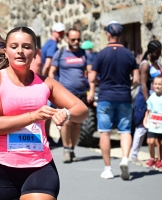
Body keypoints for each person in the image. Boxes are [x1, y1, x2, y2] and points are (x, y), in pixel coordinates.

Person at [0, 27, 88, 200]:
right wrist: (33, 116)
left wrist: (65, 113)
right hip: (0, 168)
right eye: (14, 46)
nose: (20, 51)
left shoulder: (45, 83)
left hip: (39, 166)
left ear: (35, 53)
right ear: (6, 52)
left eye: (26, 47)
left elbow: (81, 110)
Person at [88, 21, 140, 180]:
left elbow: (91, 77)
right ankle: (125, 159)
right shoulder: (129, 54)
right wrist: (126, 85)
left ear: (108, 34)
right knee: (125, 131)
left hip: (105, 97)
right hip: (124, 96)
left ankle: (108, 169)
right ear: (121, 35)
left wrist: (100, 83)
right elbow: (136, 79)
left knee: (105, 132)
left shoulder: (101, 54)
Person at [49, 28, 92, 163]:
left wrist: (91, 90)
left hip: (80, 94)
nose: (76, 42)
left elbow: (90, 73)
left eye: (78, 39)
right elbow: (52, 72)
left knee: (77, 124)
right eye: (73, 39)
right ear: (67, 39)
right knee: (66, 122)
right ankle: (66, 148)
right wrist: (52, 90)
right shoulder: (60, 53)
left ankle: (72, 148)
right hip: (65, 95)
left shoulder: (84, 53)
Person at [131, 40, 162, 166]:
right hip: (146, 99)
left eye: (160, 51)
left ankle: (157, 157)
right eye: (157, 52)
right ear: (151, 51)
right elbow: (143, 84)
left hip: (157, 99)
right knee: (142, 126)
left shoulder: (157, 64)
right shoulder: (145, 64)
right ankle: (133, 155)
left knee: (157, 126)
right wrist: (148, 102)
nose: (159, 54)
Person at [41, 22, 65, 146]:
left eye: (63, 32)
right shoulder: (52, 45)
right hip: (51, 82)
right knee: (51, 111)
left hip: (48, 82)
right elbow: (47, 64)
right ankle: (47, 137)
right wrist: (45, 80)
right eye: (59, 32)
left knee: (49, 112)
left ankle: (47, 136)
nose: (61, 34)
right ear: (53, 31)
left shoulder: (47, 43)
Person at [143, 76, 162, 170]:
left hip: (161, 124)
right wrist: (145, 119)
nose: (157, 86)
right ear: (152, 85)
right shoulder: (151, 97)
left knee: (160, 142)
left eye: (160, 84)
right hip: (152, 123)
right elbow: (148, 110)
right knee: (150, 141)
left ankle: (160, 159)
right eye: (155, 84)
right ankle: (152, 158)